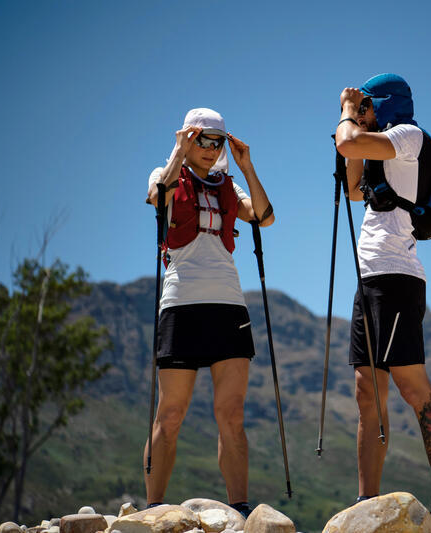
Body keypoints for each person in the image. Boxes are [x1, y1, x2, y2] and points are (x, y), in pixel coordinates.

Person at [334, 73, 431, 528]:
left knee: (412, 388)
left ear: (385, 105)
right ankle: (367, 500)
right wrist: (350, 129)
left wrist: (348, 118)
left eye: (368, 104)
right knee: (367, 392)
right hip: (370, 279)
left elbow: (349, 144)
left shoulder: (407, 134)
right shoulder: (377, 147)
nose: (361, 111)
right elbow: (352, 190)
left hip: (398, 279)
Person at [144, 107, 274, 518]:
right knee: (171, 413)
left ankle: (239, 509)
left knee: (231, 414)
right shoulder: (163, 174)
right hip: (181, 304)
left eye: (216, 141)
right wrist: (177, 155)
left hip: (228, 305)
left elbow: (265, 217)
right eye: (202, 139)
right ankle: (154, 509)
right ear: (186, 138)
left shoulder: (230, 187)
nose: (209, 148)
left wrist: (247, 166)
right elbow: (157, 197)